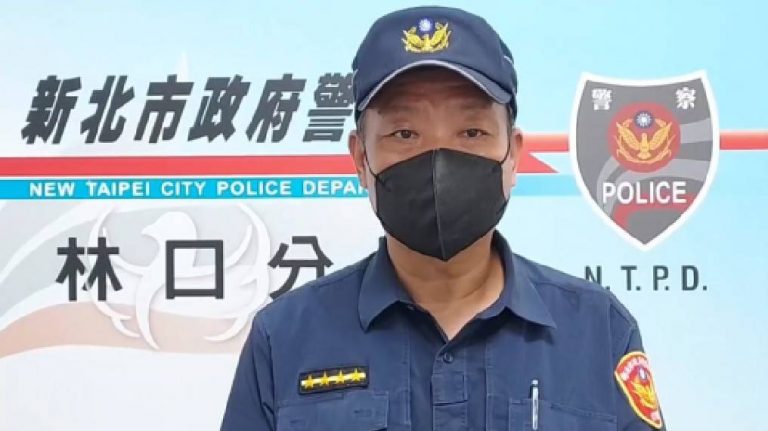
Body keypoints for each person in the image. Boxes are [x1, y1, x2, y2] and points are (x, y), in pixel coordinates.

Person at [221, 6, 665, 431]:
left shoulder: (598, 330)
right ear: (360, 159)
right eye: (404, 133)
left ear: (513, 156)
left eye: (471, 132)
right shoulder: (283, 338)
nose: (438, 161)